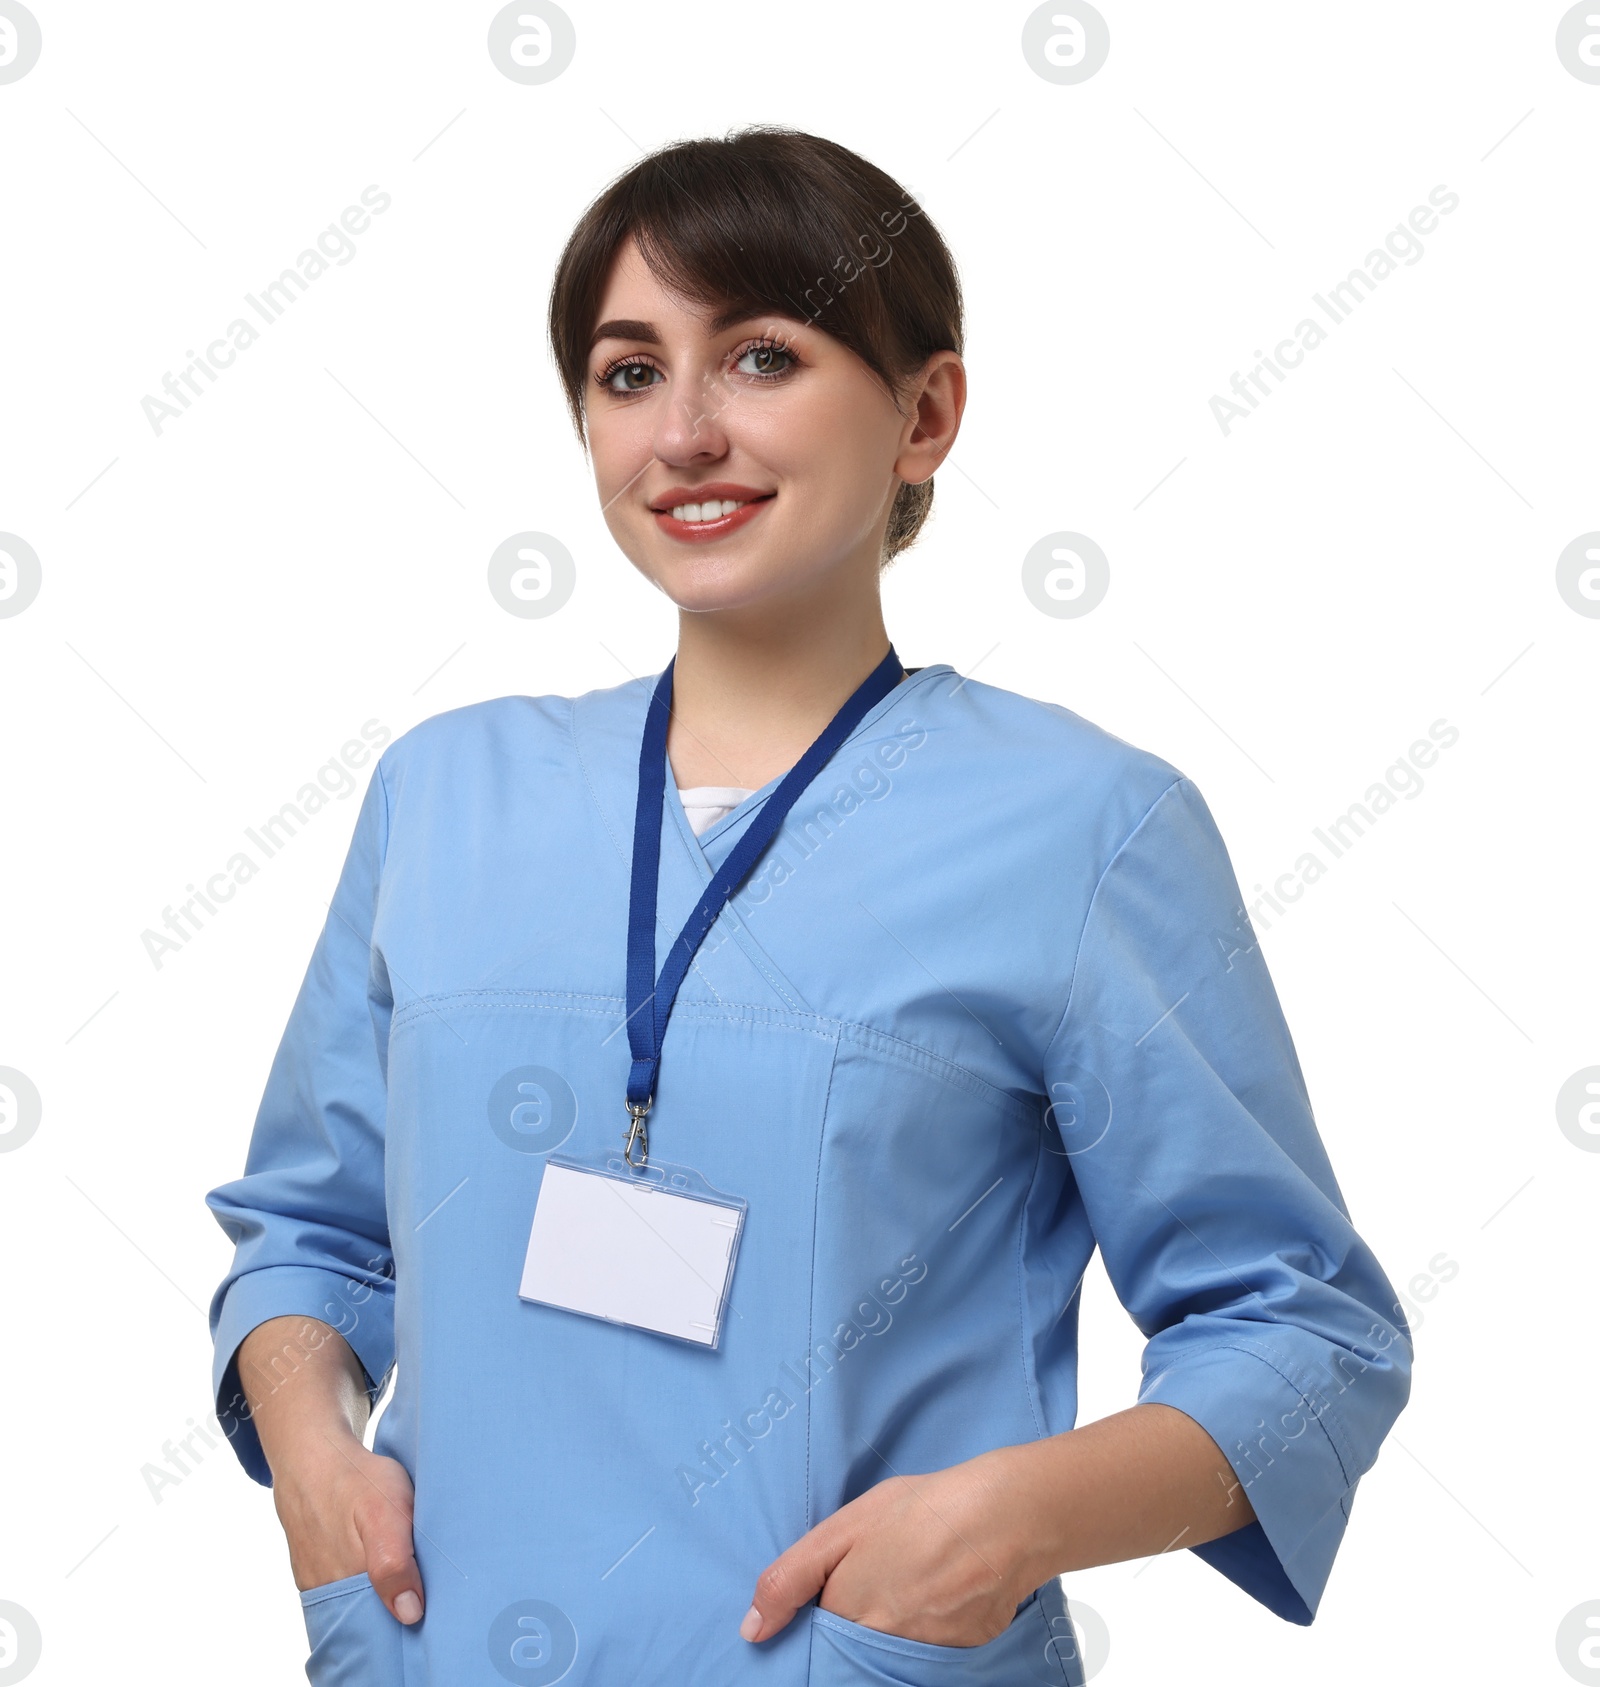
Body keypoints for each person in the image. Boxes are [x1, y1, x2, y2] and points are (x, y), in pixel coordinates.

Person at [205, 126, 1413, 1687]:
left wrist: (1003, 1521)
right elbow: (306, 1230)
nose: (685, 433)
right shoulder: (446, 795)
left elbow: (1306, 1334)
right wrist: (312, 1456)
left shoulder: (1083, 828)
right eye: (629, 373)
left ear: (926, 414)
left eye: (761, 356)